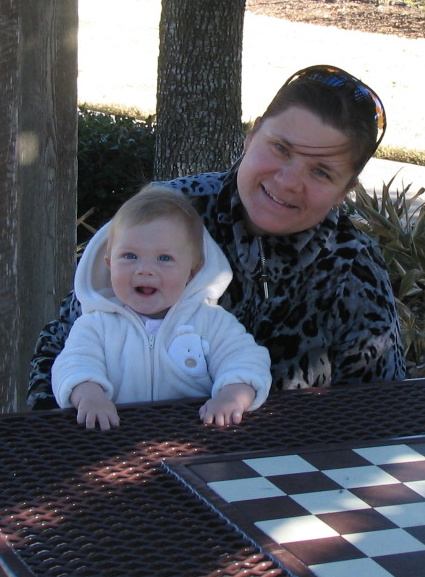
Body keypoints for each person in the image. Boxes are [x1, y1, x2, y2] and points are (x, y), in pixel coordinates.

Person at [29, 64, 405, 409]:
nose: (289, 181)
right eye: (281, 148)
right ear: (252, 135)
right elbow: (61, 346)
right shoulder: (168, 210)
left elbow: (378, 409)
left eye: (321, 172)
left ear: (344, 191)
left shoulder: (352, 266)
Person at [51, 186, 272, 430]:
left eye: (164, 258)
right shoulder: (96, 326)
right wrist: (90, 397)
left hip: (197, 433)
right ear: (109, 264)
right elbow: (74, 364)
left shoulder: (211, 322)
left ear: (192, 271)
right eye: (130, 256)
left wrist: (232, 396)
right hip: (114, 433)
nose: (145, 270)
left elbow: (244, 359)